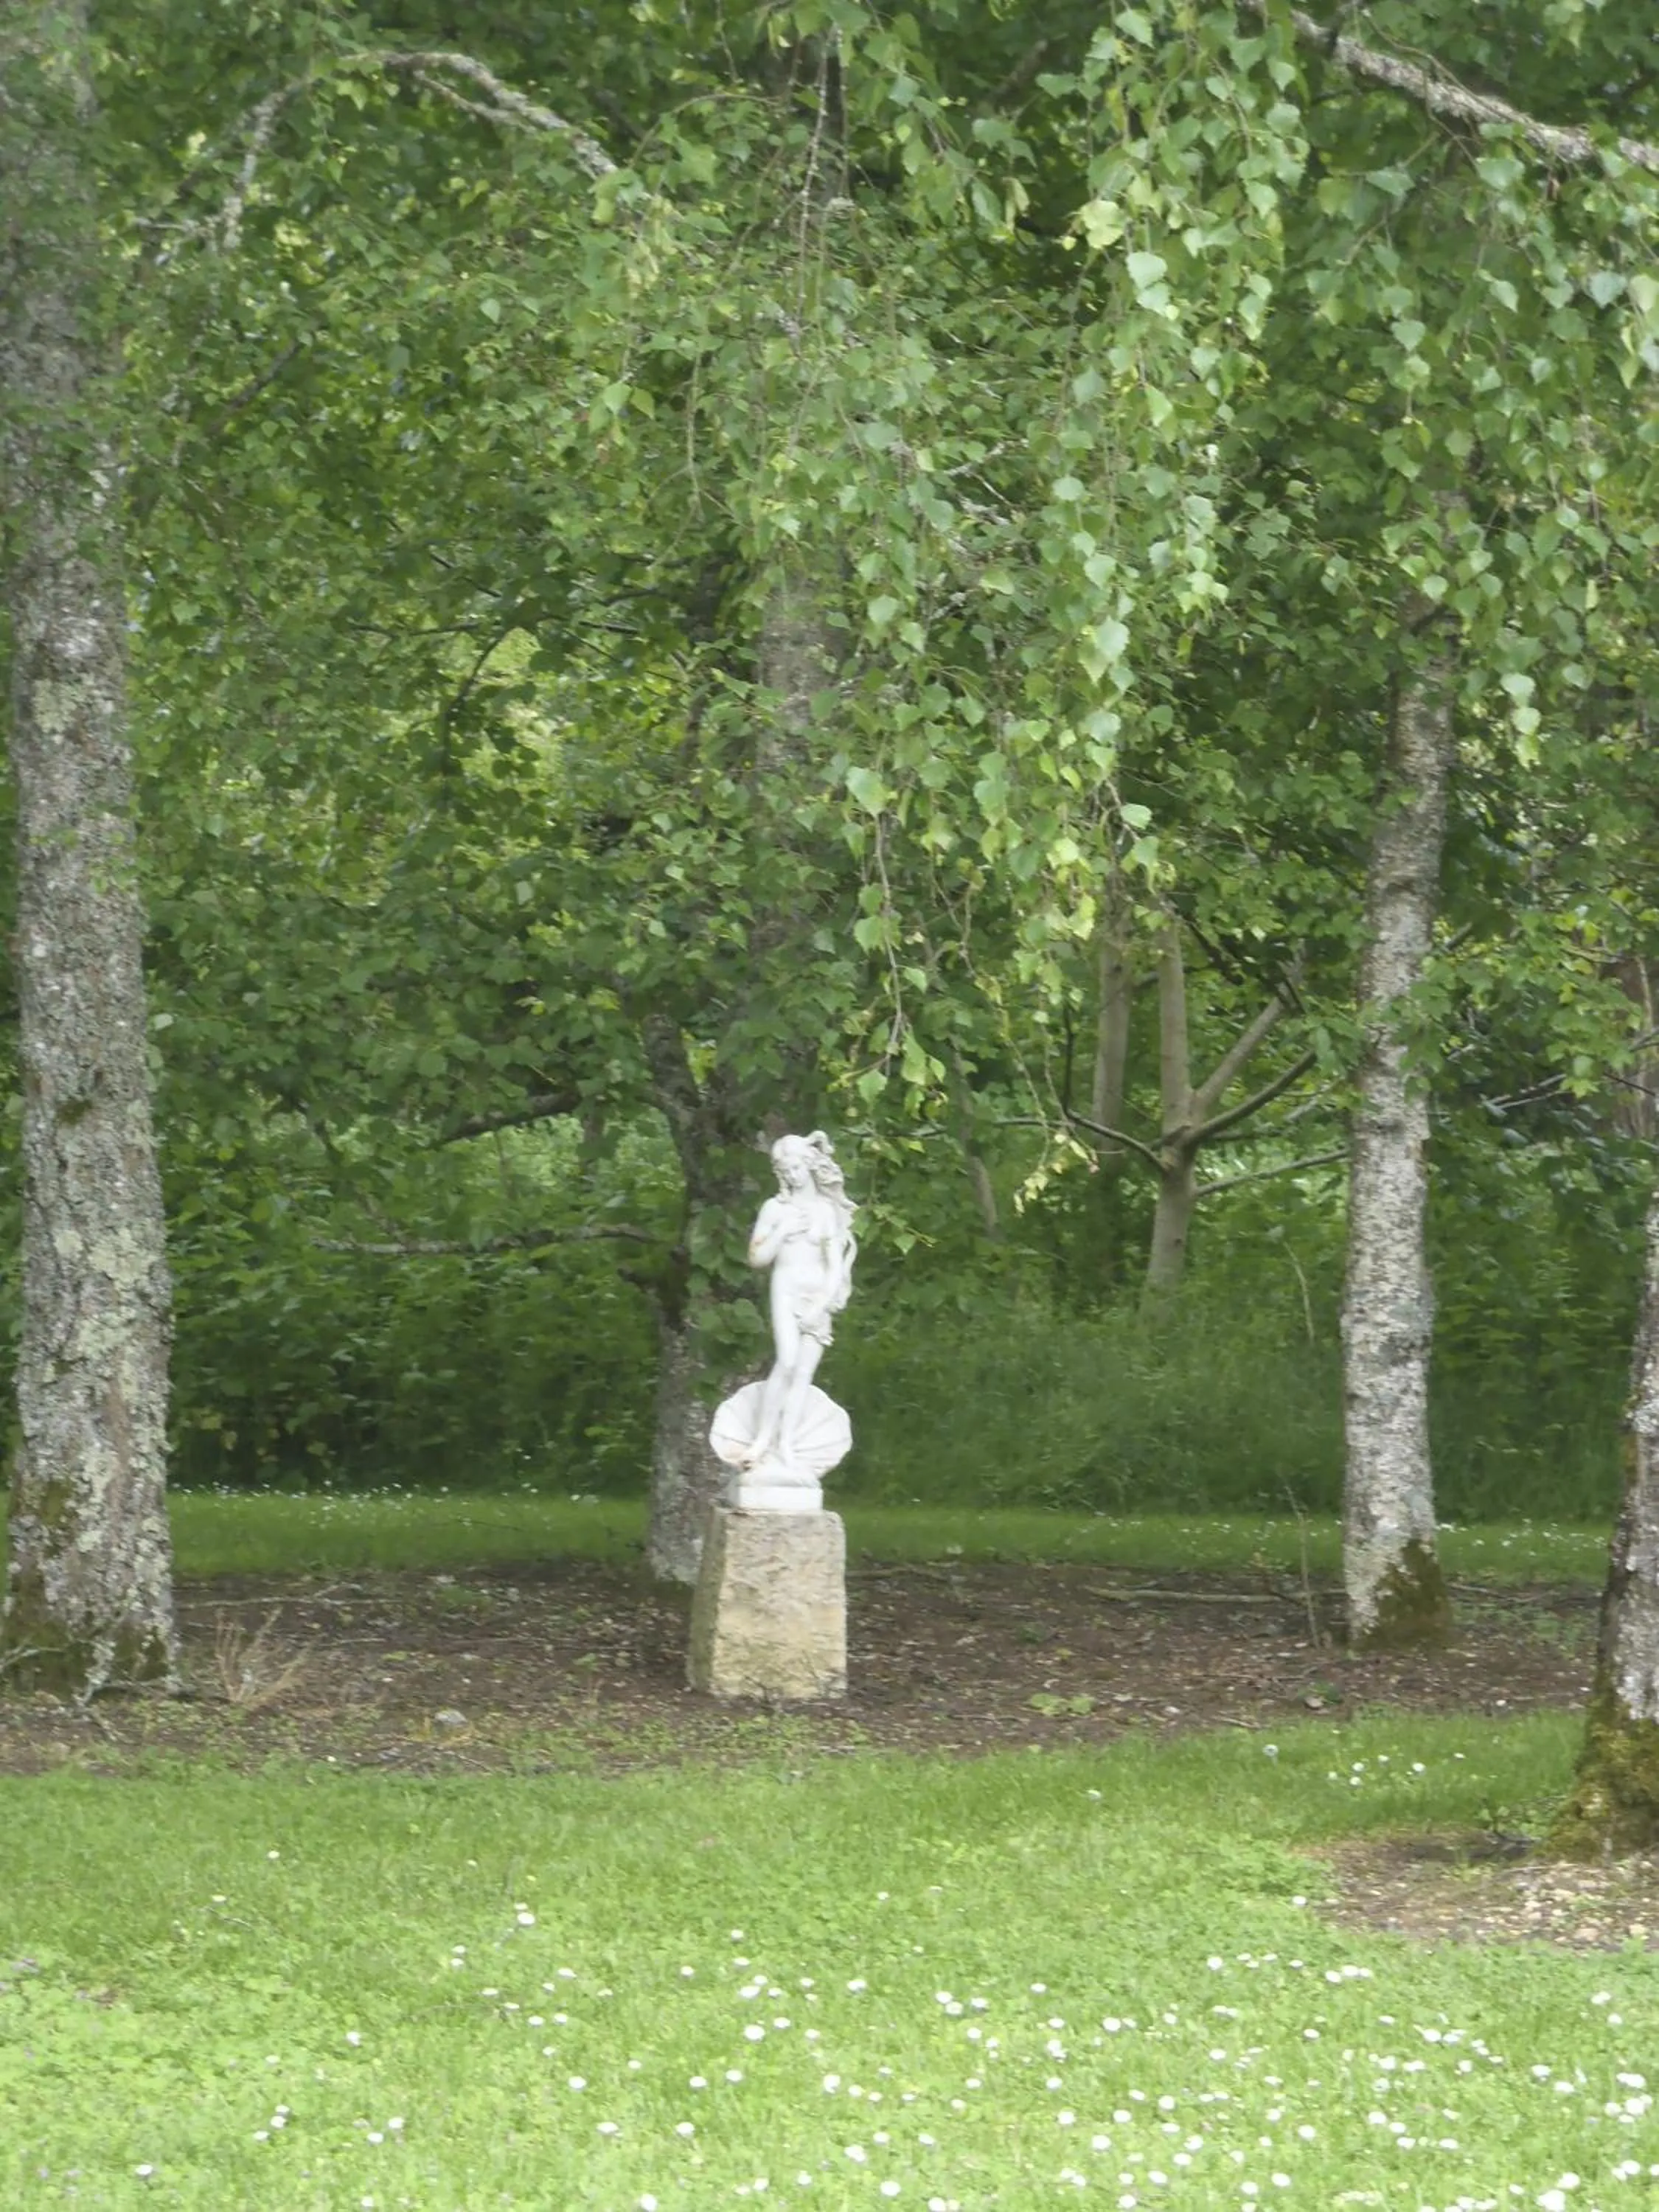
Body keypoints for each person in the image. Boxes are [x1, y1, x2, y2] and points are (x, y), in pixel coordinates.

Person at [738, 1131, 857, 1472]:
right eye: (785, 1170)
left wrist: (821, 1304)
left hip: (817, 1295)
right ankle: (762, 1439)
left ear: (809, 1166)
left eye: (796, 1168)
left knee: (804, 1372)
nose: (791, 1175)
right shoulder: (776, 1209)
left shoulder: (825, 1210)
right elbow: (758, 1257)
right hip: (786, 1289)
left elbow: (835, 1267)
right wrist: (782, 1230)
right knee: (787, 1362)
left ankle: (786, 1443)